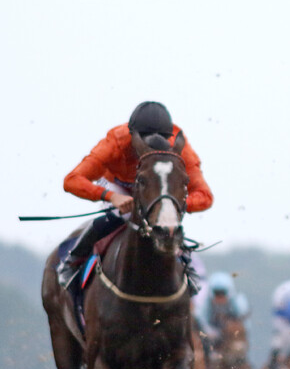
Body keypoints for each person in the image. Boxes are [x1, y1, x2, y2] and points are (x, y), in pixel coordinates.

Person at [57, 101, 213, 288]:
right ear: (132, 137)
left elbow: (205, 196)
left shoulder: (181, 150)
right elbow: (72, 180)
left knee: (169, 223)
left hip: (158, 192)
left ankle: (186, 264)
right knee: (118, 215)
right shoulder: (114, 143)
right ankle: (73, 261)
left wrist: (173, 204)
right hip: (119, 186)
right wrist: (110, 196)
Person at [194, 271, 250, 356]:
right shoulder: (205, 303)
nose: (220, 297)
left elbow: (244, 324)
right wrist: (212, 332)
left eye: (222, 293)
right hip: (211, 333)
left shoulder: (238, 303)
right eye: (217, 294)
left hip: (230, 335)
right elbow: (202, 320)